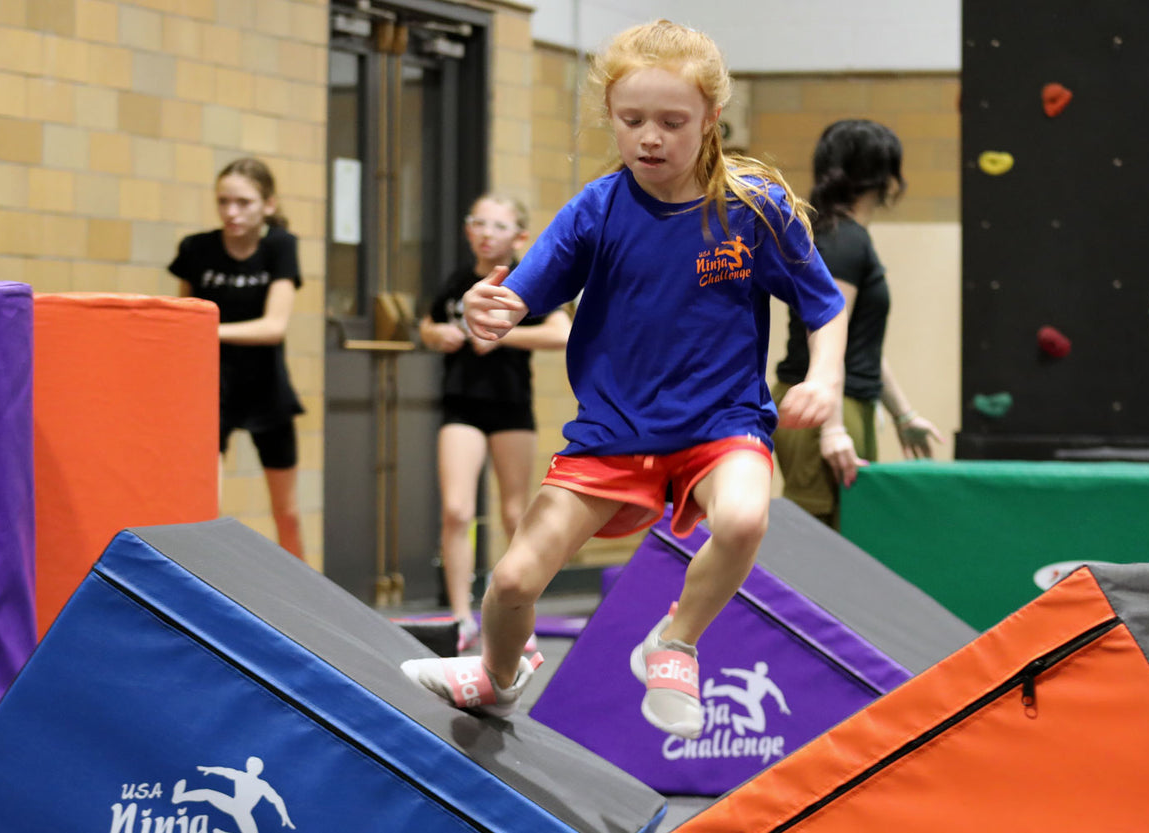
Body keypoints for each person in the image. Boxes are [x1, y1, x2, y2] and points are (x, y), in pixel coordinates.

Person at [401, 19, 848, 740]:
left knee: (744, 515)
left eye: (673, 122)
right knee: (512, 582)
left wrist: (825, 378)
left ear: (709, 119)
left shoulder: (753, 207)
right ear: (610, 114)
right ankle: (497, 675)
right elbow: (521, 294)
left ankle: (674, 641)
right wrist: (490, 305)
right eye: (632, 119)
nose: (651, 137)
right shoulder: (596, 210)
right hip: (611, 433)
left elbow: (825, 305)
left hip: (720, 420)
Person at [772, 119, 943, 529]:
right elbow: (825, 330)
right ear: (883, 176)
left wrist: (903, 414)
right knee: (819, 546)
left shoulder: (845, 236)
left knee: (845, 537)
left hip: (839, 405)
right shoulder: (842, 239)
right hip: (824, 409)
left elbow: (853, 342)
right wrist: (831, 428)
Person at [418, 195, 570, 652]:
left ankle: (514, 611)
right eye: (478, 223)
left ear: (519, 237)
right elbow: (429, 321)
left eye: (498, 226)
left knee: (512, 512)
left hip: (509, 406)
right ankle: (462, 616)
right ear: (468, 230)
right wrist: (433, 334)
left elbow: (560, 333)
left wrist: (503, 337)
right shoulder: (457, 281)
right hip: (460, 404)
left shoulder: (527, 279)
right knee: (457, 510)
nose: (486, 233)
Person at [171, 158, 305, 558]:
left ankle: (308, 604)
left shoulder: (279, 246)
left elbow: (273, 327)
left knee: (288, 513)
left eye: (243, 202)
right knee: (204, 510)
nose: (231, 212)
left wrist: (206, 331)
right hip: (213, 388)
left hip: (267, 387)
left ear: (267, 204)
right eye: (223, 201)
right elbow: (183, 317)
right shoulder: (197, 249)